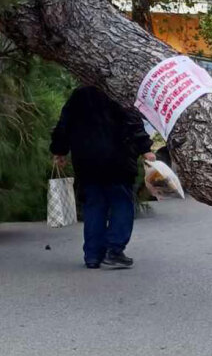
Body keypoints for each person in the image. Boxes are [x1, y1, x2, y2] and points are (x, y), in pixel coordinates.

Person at [51, 85, 155, 269]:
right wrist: (145, 149)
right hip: (118, 159)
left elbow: (64, 123)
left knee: (94, 204)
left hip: (86, 160)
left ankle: (92, 255)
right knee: (121, 202)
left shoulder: (79, 94)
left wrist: (59, 151)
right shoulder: (118, 90)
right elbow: (133, 122)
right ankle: (114, 250)